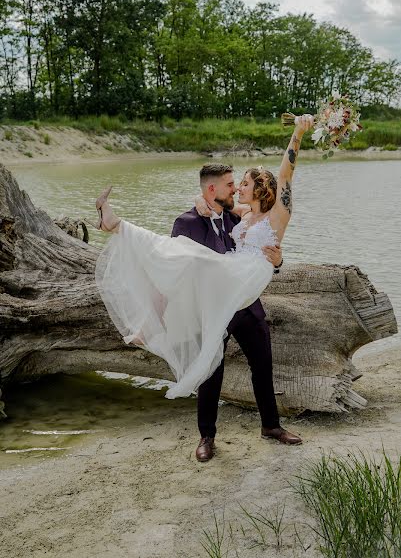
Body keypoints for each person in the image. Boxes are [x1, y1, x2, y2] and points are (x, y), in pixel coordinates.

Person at [95, 115, 314, 461]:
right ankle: (207, 437)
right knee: (210, 364)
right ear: (213, 191)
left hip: (246, 295)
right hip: (220, 299)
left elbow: (286, 175)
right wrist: (200, 203)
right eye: (232, 183)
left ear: (260, 189)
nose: (237, 187)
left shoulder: (269, 215)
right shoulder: (236, 215)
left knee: (263, 365)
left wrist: (298, 133)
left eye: (242, 182)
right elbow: (176, 270)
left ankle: (271, 425)